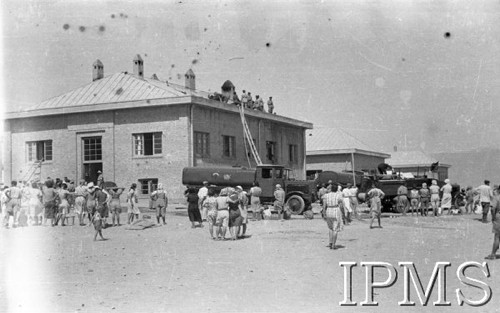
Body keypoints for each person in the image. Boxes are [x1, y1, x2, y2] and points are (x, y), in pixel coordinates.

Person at [321, 184, 344, 250]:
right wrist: (343, 214)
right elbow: (341, 205)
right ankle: (333, 244)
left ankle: (330, 242)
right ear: (337, 189)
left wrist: (324, 213)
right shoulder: (338, 195)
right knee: (335, 228)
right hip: (336, 210)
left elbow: (324, 205)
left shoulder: (326, 195)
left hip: (328, 210)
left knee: (330, 228)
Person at [485, 186, 500, 260]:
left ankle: (493, 254)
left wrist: (493, 217)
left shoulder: (497, 197)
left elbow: (493, 208)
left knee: (497, 237)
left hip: (499, 216)